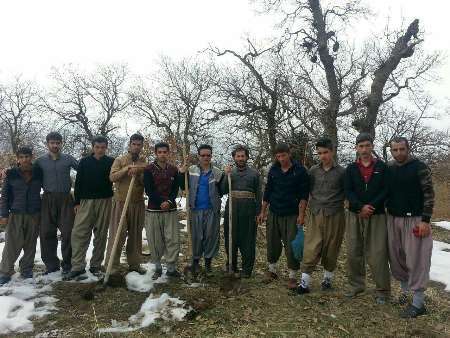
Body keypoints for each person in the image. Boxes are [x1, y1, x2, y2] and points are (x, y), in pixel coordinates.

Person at [386, 137, 434, 318]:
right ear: (391, 151)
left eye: (401, 149)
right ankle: (406, 294)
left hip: (415, 220)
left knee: (416, 259)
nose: (398, 153)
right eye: (395, 150)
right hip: (393, 218)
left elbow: (429, 194)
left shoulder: (419, 167)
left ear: (408, 149)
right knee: (397, 257)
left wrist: (425, 220)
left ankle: (418, 303)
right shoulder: (389, 168)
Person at [344, 133, 391, 304]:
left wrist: (370, 206)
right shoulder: (350, 169)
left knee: (378, 253)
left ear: (372, 146)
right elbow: (347, 190)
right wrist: (359, 207)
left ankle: (383, 291)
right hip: (354, 214)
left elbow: (386, 190)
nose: (364, 149)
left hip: (376, 214)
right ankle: (357, 285)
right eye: (360, 146)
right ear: (356, 148)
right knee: (353, 251)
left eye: (367, 145)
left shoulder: (382, 167)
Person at [297, 137, 346, 294]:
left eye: (325, 152)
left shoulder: (342, 172)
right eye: (319, 153)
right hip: (316, 214)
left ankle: (327, 280)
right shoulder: (313, 171)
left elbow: (348, 194)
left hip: (335, 215)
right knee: (311, 247)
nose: (323, 156)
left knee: (332, 248)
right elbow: (305, 193)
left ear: (332, 151)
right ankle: (304, 284)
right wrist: (302, 214)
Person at [257, 143, 309, 290]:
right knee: (272, 242)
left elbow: (304, 196)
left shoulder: (300, 171)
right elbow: (267, 192)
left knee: (291, 245)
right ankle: (272, 270)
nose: (281, 159)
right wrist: (263, 211)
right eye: (278, 156)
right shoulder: (273, 170)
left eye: (283, 155)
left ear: (289, 154)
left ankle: (292, 276)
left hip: (292, 214)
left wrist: (301, 215)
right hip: (274, 212)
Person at [65, 136, 115, 280]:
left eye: (103, 147)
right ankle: (77, 266)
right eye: (97, 147)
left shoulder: (111, 162)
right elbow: (78, 183)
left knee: (100, 234)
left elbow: (117, 175)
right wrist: (77, 202)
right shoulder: (84, 162)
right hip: (86, 201)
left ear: (106, 148)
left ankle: (96, 265)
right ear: (93, 147)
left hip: (104, 201)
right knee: (79, 233)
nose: (100, 150)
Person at [35, 132, 78, 275]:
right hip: (47, 199)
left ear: (61, 143)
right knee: (47, 232)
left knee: (68, 232)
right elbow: (27, 172)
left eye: (58, 143)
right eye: (52, 143)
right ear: (47, 144)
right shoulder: (40, 161)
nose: (55, 145)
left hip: (66, 199)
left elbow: (83, 169)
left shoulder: (68, 159)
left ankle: (68, 264)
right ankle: (51, 265)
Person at [105, 133, 147, 275]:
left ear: (142, 146)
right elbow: (112, 177)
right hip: (121, 202)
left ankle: (134, 265)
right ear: (130, 145)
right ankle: (111, 266)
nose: (136, 147)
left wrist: (139, 172)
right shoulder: (120, 159)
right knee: (117, 234)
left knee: (136, 235)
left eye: (139, 144)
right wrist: (127, 169)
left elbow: (145, 181)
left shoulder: (143, 161)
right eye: (134, 144)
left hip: (137, 202)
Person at [0, 147, 43, 284]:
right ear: (17, 158)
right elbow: (5, 195)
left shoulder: (39, 172)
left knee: (30, 244)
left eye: (27, 156)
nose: (25, 159)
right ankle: (6, 271)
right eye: (22, 157)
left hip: (34, 213)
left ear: (32, 157)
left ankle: (26, 269)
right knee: (12, 244)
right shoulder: (11, 174)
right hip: (16, 213)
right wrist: (4, 214)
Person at [179, 144, 224, 274]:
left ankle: (208, 264)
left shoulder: (217, 172)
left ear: (211, 156)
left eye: (208, 155)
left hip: (211, 210)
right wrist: (182, 173)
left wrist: (227, 176)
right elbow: (183, 186)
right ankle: (196, 263)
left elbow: (223, 189)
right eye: (203, 155)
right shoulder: (191, 169)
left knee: (210, 236)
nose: (205, 157)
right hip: (195, 209)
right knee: (196, 237)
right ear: (198, 156)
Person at [222, 145, 262, 278]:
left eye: (242, 156)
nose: (240, 158)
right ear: (234, 157)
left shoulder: (254, 174)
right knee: (230, 238)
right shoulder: (230, 173)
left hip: (248, 210)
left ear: (247, 157)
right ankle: (231, 266)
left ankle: (246, 269)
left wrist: (258, 212)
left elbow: (259, 194)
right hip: (232, 210)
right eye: (238, 156)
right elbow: (222, 190)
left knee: (248, 240)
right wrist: (225, 175)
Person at [143, 142, 180, 280]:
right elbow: (149, 189)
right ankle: (158, 267)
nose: (162, 154)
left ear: (168, 153)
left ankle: (171, 268)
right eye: (160, 152)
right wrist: (160, 202)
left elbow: (175, 189)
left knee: (172, 238)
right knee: (155, 239)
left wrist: (169, 202)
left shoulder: (173, 170)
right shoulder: (149, 169)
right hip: (154, 209)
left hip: (170, 209)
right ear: (156, 153)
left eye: (165, 152)